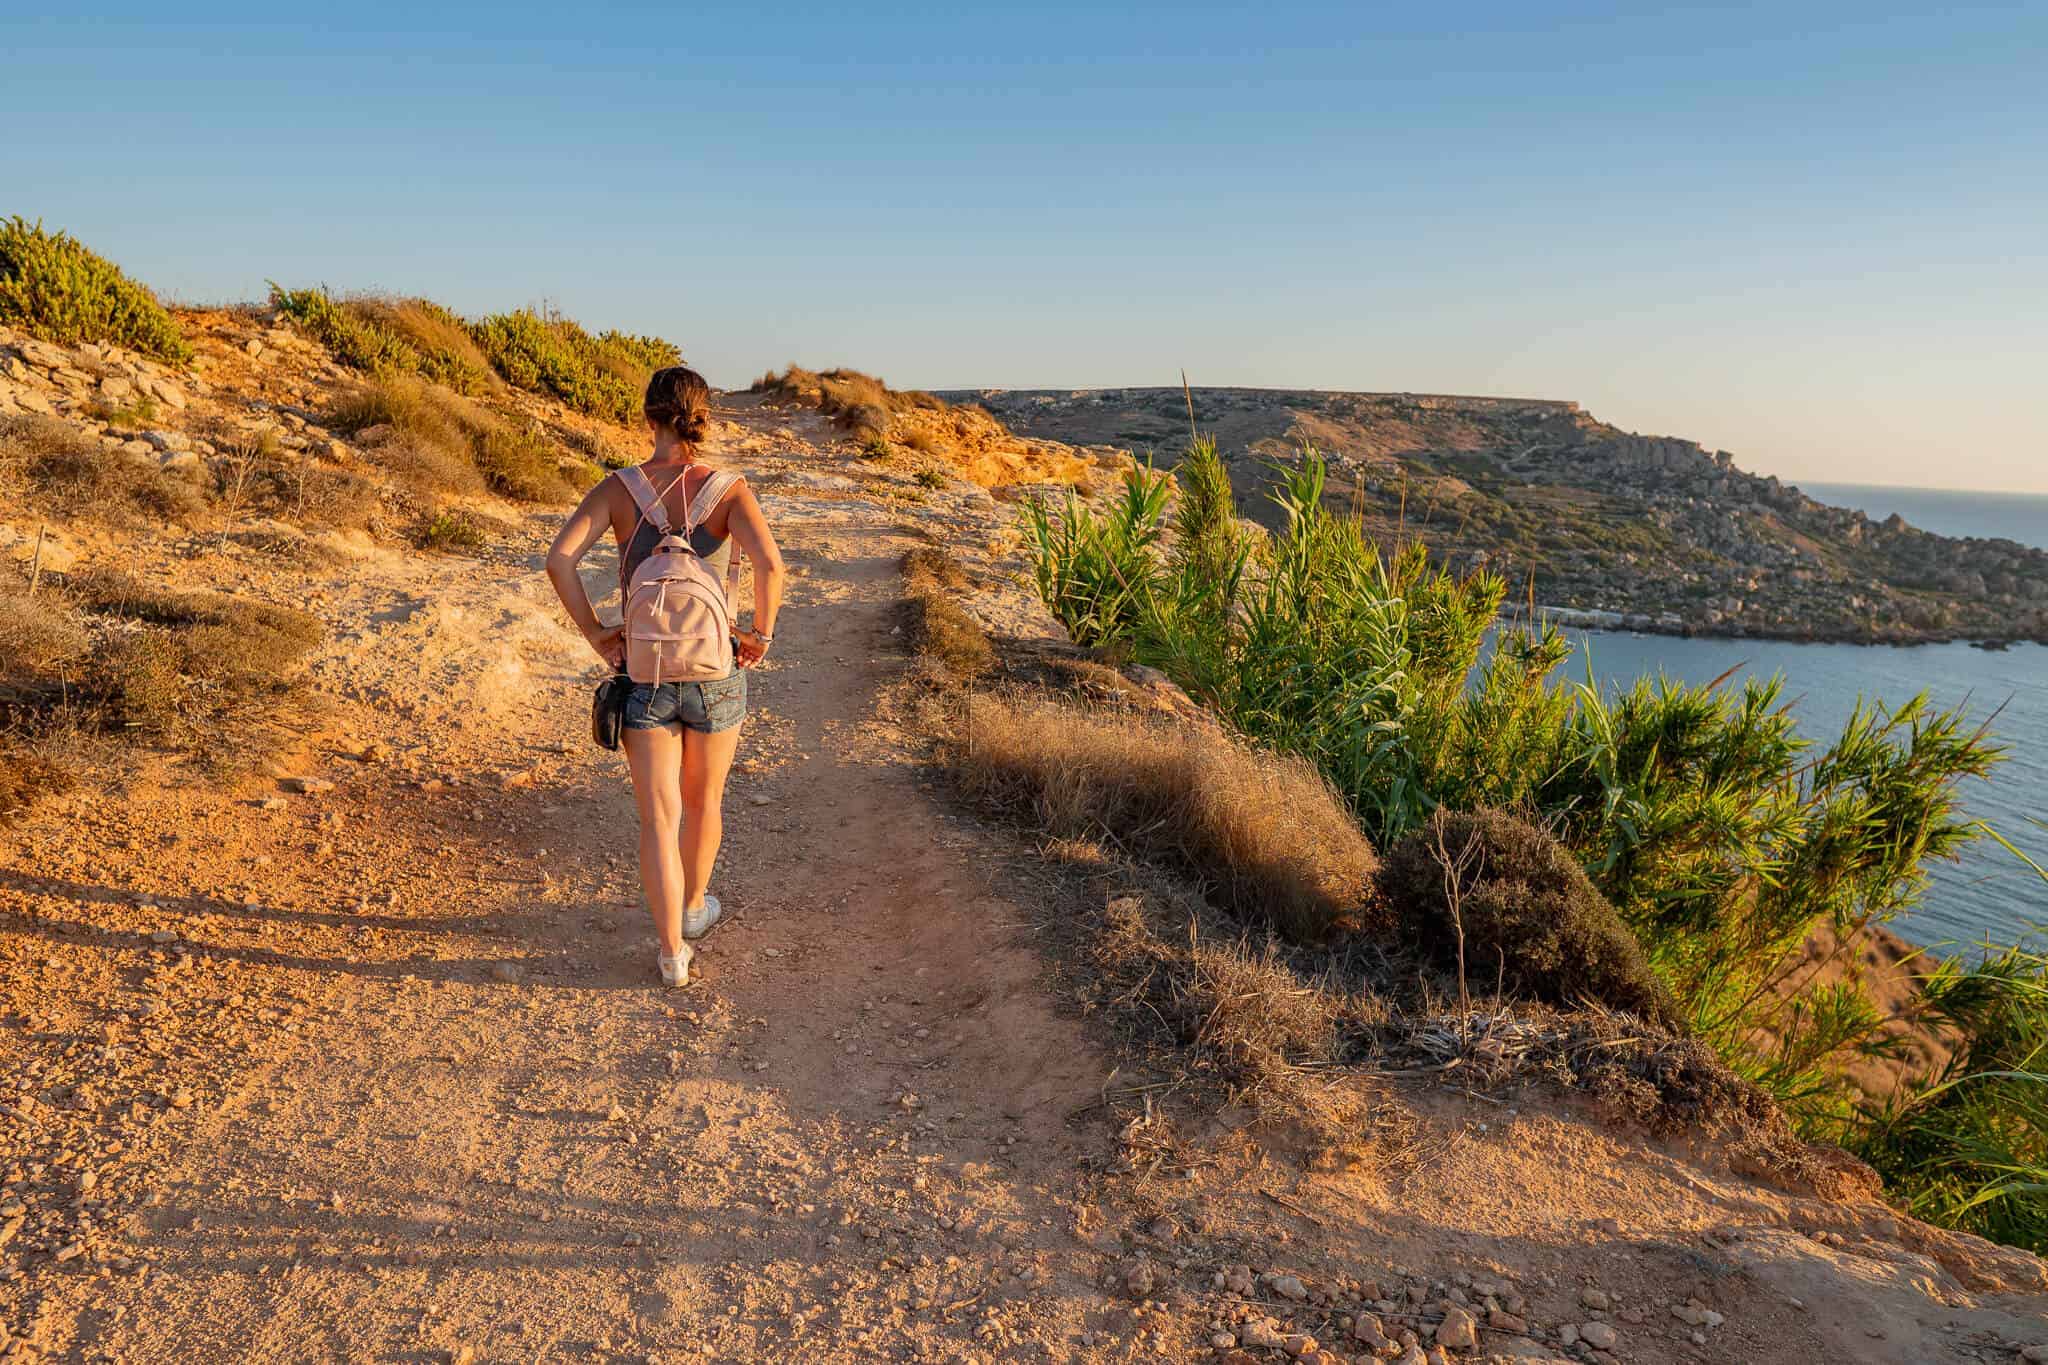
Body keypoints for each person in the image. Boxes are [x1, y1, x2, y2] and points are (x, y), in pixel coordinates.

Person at [545, 366, 786, 987]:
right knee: (705, 800)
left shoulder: (618, 490)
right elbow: (771, 568)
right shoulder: (730, 490)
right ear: (704, 417)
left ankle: (672, 951)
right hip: (714, 668)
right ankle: (694, 907)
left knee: (659, 816)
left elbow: (559, 559)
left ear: (647, 417)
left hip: (644, 673)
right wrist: (758, 634)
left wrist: (599, 633)